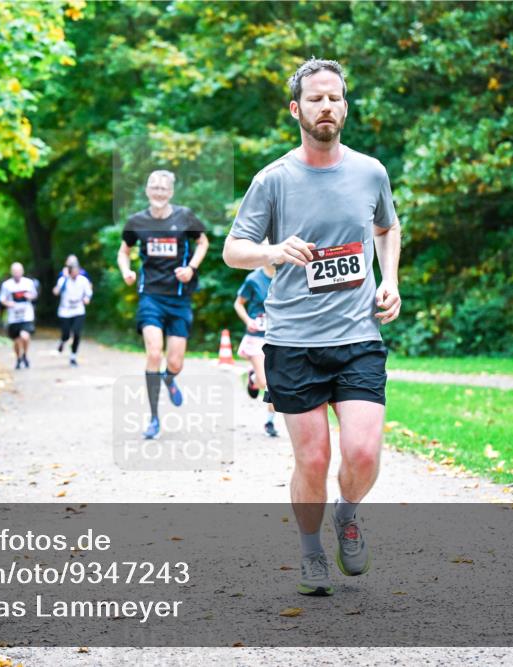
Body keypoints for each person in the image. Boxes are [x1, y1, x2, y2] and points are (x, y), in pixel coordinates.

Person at [222, 58, 402, 597]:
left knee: (364, 452)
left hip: (358, 337)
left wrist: (389, 278)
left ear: (344, 106)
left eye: (335, 98)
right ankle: (310, 552)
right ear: (297, 109)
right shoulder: (272, 179)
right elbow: (234, 250)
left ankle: (347, 515)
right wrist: (272, 250)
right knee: (314, 458)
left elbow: (386, 227)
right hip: (293, 343)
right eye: (316, 98)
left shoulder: (370, 170)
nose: (327, 106)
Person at [118, 170, 209, 440]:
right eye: (154, 187)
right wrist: (126, 271)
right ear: (147, 190)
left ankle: (169, 378)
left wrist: (191, 267)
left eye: (163, 188)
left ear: (170, 192)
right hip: (151, 296)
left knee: (175, 362)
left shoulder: (185, 217)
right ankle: (154, 418)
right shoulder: (136, 222)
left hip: (179, 298)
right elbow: (124, 251)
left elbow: (203, 242)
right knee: (154, 354)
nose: (158, 192)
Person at [234, 262, 279, 437]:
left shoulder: (285, 276)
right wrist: (248, 321)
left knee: (275, 382)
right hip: (256, 337)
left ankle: (270, 421)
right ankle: (254, 377)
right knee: (264, 382)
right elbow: (238, 304)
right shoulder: (253, 279)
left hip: (277, 337)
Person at [53, 256, 93, 367]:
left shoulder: (83, 280)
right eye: (73, 271)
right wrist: (65, 279)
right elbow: (56, 292)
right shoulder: (63, 280)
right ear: (69, 271)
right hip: (65, 311)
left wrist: (87, 298)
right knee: (66, 334)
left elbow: (88, 292)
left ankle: (73, 356)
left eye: (77, 271)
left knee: (76, 333)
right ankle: (62, 342)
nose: (75, 273)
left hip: (78, 310)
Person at [0, 262, 39, 370]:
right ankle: (18, 358)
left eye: (19, 271)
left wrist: (30, 296)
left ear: (22, 271)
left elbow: (35, 295)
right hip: (13, 317)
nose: (17, 273)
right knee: (16, 340)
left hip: (26, 315)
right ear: (12, 272)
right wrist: (8, 304)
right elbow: (2, 299)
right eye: (15, 271)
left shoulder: (28, 283)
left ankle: (25, 354)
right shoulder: (7, 285)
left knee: (25, 336)